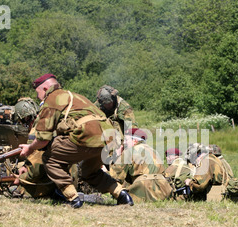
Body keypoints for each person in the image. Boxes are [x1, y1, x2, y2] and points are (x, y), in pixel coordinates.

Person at [19, 73, 133, 208]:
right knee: (89, 172)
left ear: (44, 89)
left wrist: (29, 148)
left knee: (50, 158)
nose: (38, 97)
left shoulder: (52, 99)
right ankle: (122, 195)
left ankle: (72, 198)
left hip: (87, 137)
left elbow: (43, 139)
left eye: (37, 93)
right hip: (108, 139)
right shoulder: (76, 96)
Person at [109, 128, 173, 203]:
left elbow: (114, 175)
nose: (124, 143)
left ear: (134, 141)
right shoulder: (154, 151)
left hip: (142, 191)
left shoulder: (129, 151)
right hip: (162, 191)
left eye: (126, 140)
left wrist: (115, 158)